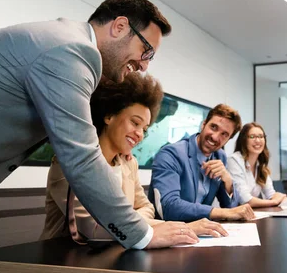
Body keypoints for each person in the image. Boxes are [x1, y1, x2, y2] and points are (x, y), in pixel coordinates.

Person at [0, 0, 193, 249]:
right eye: (147, 51)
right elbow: (81, 157)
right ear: (119, 26)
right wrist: (143, 235)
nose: (144, 65)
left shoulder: (65, 41)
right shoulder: (73, 51)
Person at [40, 73, 226, 241]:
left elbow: (147, 207)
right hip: (64, 261)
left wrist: (129, 220)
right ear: (109, 115)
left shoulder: (129, 164)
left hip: (118, 253)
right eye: (135, 123)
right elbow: (94, 229)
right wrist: (182, 228)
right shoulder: (69, 162)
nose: (139, 134)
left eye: (144, 129)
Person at [149, 104, 255, 222]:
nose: (215, 137)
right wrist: (220, 212)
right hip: (169, 232)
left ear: (228, 139)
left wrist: (228, 181)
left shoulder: (220, 156)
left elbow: (231, 208)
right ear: (203, 124)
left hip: (200, 232)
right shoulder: (170, 154)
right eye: (213, 127)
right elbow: (168, 207)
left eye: (224, 134)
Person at [228, 122, 287, 208]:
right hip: (235, 217)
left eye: (261, 136)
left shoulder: (260, 165)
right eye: (252, 137)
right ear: (244, 140)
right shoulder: (234, 160)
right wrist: (274, 202)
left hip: (251, 215)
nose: (257, 140)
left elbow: (271, 195)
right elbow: (245, 200)